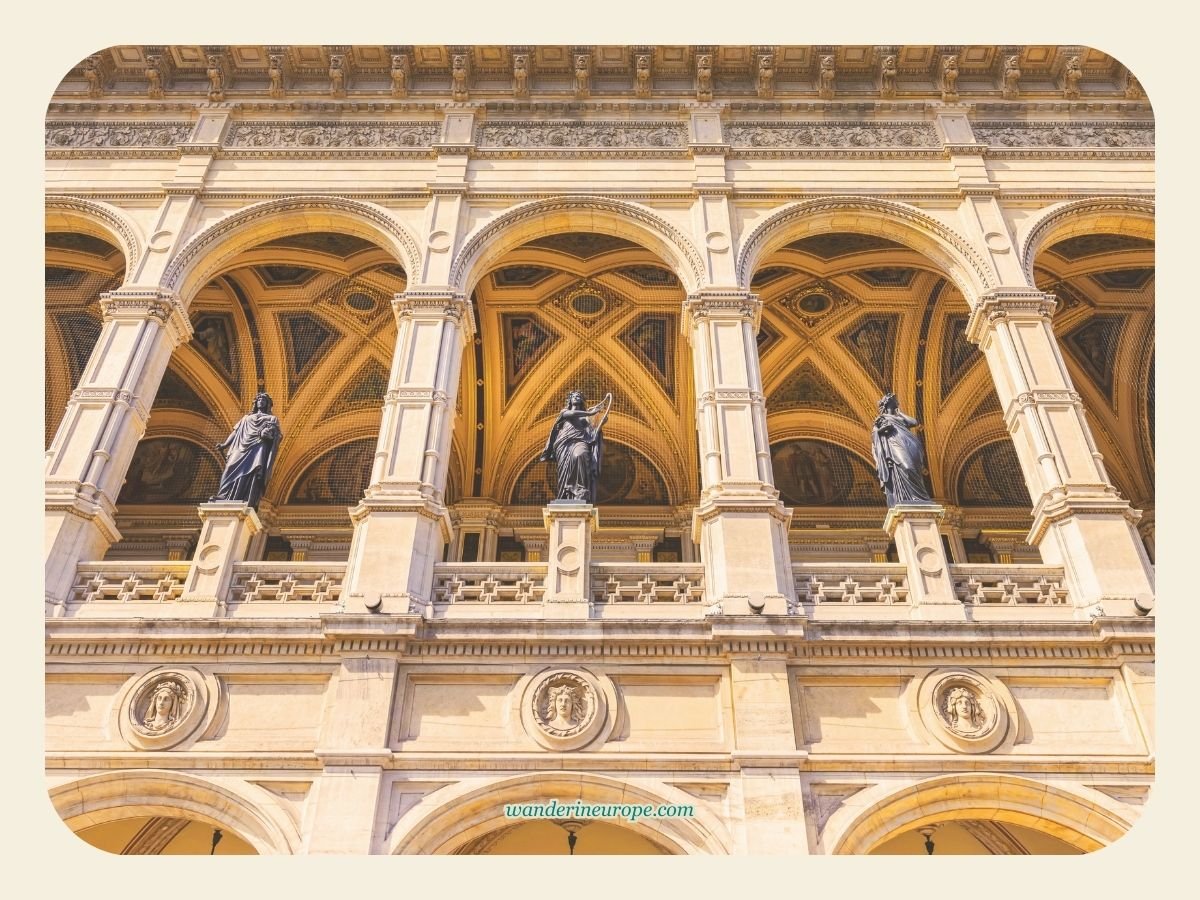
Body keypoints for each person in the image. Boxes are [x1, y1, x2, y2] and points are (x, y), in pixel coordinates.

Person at [211, 392, 282, 509]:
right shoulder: (246, 418)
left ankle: (242, 498)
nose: (261, 401)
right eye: (259, 399)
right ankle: (224, 495)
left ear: (267, 404)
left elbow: (277, 436)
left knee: (251, 474)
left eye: (264, 400)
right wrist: (225, 445)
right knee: (229, 468)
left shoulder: (272, 419)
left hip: (258, 448)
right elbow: (235, 432)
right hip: (240, 446)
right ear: (256, 403)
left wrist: (268, 435)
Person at [539, 390, 609, 503]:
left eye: (579, 396)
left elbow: (592, 435)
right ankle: (566, 494)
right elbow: (570, 414)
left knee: (580, 455)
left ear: (582, 401)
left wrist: (600, 425)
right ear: (570, 400)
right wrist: (590, 413)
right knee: (565, 472)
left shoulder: (586, 419)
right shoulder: (565, 412)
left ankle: (580, 490)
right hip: (564, 444)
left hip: (580, 441)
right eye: (574, 396)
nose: (576, 397)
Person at [870, 393, 933, 506]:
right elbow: (875, 434)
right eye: (895, 399)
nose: (897, 401)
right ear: (888, 402)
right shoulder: (881, 418)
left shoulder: (900, 417)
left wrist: (899, 413)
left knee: (913, 468)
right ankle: (912, 497)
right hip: (893, 445)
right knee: (907, 467)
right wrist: (883, 429)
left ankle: (919, 499)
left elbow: (914, 422)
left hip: (909, 444)